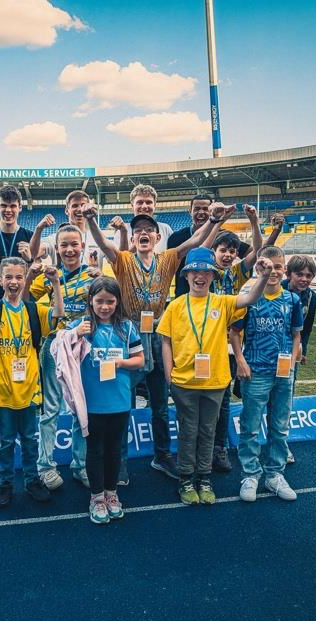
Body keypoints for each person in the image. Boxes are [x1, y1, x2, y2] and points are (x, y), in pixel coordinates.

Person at [84, 201, 234, 484]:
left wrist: (214, 221)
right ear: (134, 236)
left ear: (156, 237)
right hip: (126, 334)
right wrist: (92, 220)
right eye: (138, 229)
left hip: (158, 332)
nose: (143, 233)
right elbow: (104, 245)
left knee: (160, 405)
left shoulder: (167, 259)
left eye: (149, 230)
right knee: (123, 403)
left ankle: (162, 455)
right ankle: (122, 462)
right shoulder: (124, 260)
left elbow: (194, 240)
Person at [157, 247, 272, 505]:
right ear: (186, 276)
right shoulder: (175, 306)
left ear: (213, 276)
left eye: (206, 272)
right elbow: (165, 342)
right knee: (188, 431)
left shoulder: (221, 302)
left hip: (215, 381)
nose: (200, 276)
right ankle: (186, 479)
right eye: (195, 271)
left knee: (208, 431)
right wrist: (169, 375)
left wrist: (263, 277)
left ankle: (204, 478)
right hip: (184, 382)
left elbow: (249, 299)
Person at [0, 250, 65, 508]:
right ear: (0, 280)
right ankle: (6, 484)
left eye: (19, 277)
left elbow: (58, 314)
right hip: (3, 392)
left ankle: (32, 481)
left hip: (30, 391)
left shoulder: (34, 311)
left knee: (31, 442)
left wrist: (55, 283)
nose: (13, 282)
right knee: (7, 442)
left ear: (25, 281)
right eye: (8, 277)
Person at [230, 246, 304, 503]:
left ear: (284, 270)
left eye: (278, 267)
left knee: (279, 428)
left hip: (283, 374)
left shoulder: (293, 300)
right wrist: (240, 360)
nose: (273, 271)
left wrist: (292, 363)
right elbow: (235, 332)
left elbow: (296, 335)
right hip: (256, 371)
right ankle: (250, 475)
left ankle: (275, 475)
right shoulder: (249, 297)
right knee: (250, 428)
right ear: (259, 267)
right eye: (268, 266)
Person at [26, 225, 96, 490]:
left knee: (81, 408)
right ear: (57, 248)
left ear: (82, 246)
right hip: (55, 347)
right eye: (64, 245)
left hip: (85, 348)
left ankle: (80, 465)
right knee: (51, 408)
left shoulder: (92, 276)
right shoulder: (48, 276)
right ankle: (45, 466)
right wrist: (32, 273)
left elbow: (111, 303)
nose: (69, 250)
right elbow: (23, 301)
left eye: (73, 244)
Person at [69, 277, 144, 523]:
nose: (104, 307)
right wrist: (73, 336)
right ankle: (96, 496)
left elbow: (140, 361)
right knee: (95, 450)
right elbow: (63, 355)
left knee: (114, 450)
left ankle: (112, 494)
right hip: (92, 402)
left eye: (110, 301)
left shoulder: (128, 327)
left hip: (120, 401)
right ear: (90, 301)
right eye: (99, 301)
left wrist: (120, 362)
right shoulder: (82, 327)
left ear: (117, 302)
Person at [209, 206, 264, 473]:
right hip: (206, 344)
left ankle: (219, 448)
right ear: (214, 252)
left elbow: (258, 250)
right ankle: (205, 447)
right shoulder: (204, 272)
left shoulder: (239, 272)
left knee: (225, 399)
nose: (228, 255)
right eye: (223, 250)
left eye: (232, 250)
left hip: (231, 346)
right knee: (208, 398)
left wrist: (254, 221)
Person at [168, 194, 251, 298]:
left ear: (212, 211)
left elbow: (253, 252)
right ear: (190, 211)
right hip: (182, 299)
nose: (201, 212)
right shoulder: (176, 238)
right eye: (197, 209)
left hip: (211, 302)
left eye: (205, 209)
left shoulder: (223, 236)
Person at [281, 254, 316, 464]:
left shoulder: (312, 297)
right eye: (299, 274)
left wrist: (303, 350)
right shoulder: (277, 288)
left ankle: (281, 444)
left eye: (309, 275)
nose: (304, 279)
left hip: (290, 353)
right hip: (266, 352)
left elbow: (307, 328)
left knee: (285, 400)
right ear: (289, 274)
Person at [31, 190, 107, 269]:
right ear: (67, 211)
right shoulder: (55, 238)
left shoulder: (98, 239)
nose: (80, 209)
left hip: (94, 281)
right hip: (62, 281)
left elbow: (117, 257)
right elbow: (33, 254)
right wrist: (38, 229)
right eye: (74, 206)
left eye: (83, 205)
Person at [120, 184, 175, 253]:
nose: (144, 206)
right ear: (132, 206)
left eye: (148, 202)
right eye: (139, 202)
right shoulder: (122, 232)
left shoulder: (166, 229)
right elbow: (118, 260)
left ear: (154, 205)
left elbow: (174, 257)